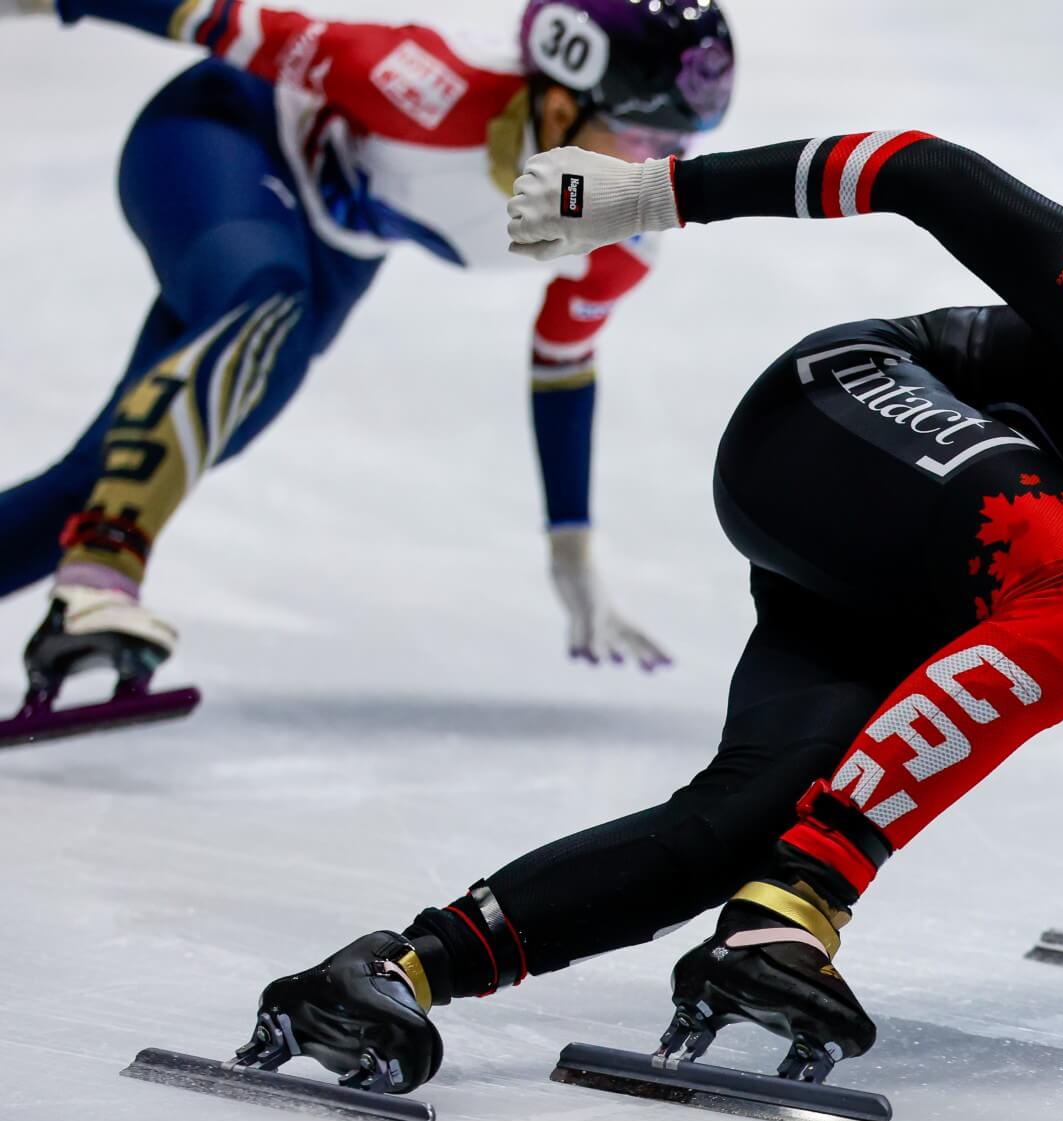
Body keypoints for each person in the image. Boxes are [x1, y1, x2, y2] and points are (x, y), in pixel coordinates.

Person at [221, 135, 1063, 1093]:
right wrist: (634, 197)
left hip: (913, 571)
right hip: (837, 418)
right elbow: (918, 169)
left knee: (735, 823)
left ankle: (399, 970)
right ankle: (801, 906)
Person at [0, 0, 736, 709]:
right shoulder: (426, 82)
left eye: (677, 146)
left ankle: (91, 548)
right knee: (264, 314)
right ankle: (103, 573)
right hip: (221, 138)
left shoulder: (623, 238)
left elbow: (562, 364)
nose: (657, 167)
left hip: (330, 250)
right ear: (558, 104)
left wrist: (570, 551)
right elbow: (217, 17)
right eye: (643, 139)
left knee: (140, 460)